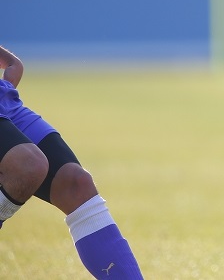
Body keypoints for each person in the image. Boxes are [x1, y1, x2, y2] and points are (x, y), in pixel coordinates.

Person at [0, 44, 144, 279]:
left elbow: (13, 64)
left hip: (5, 101)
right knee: (29, 165)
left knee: (77, 184)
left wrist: (11, 72)